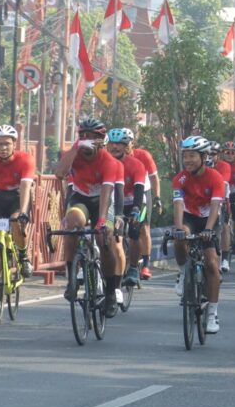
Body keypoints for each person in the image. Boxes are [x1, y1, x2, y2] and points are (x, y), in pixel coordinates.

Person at [53, 118, 125, 316]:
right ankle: (72, 280)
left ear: (101, 141)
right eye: (82, 136)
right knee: (72, 226)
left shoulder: (109, 162)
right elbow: (59, 173)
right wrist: (75, 147)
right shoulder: (74, 154)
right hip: (81, 198)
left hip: (102, 200)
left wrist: (102, 221)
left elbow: (107, 192)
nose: (86, 141)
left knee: (105, 239)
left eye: (91, 137)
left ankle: (110, 292)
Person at [171, 135, 225, 334]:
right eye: (185, 156)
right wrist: (178, 228)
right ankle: (184, 271)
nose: (187, 161)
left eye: (192, 156)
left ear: (203, 157)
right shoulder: (181, 178)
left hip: (209, 220)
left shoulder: (215, 177)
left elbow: (215, 206)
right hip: (189, 218)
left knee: (212, 264)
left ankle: (212, 313)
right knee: (180, 236)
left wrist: (209, 230)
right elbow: (178, 205)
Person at [0, 125, 36, 279]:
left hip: (18, 196)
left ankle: (23, 256)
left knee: (16, 221)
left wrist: (23, 212)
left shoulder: (25, 159)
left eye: (7, 144)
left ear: (15, 144)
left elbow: (26, 186)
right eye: (0, 144)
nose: (4, 148)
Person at [105, 129, 148, 287]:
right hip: (114, 203)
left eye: (119, 144)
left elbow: (139, 189)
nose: (115, 147)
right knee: (109, 234)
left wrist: (136, 209)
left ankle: (134, 268)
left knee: (134, 232)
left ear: (126, 147)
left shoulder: (136, 165)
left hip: (135, 202)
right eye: (112, 144)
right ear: (107, 145)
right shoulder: (105, 162)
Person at [125, 132, 161, 280]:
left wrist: (157, 197)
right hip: (122, 195)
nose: (121, 147)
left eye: (126, 143)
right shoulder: (112, 158)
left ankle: (145, 264)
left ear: (132, 143)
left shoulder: (143, 156)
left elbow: (154, 178)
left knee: (143, 228)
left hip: (142, 194)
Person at [206, 141, 233, 273]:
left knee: (224, 228)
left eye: (213, 154)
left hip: (222, 200)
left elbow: (222, 184)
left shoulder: (225, 166)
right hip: (204, 202)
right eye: (207, 154)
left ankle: (225, 259)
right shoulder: (201, 164)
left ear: (218, 155)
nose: (210, 156)